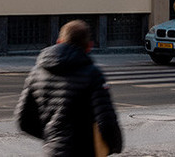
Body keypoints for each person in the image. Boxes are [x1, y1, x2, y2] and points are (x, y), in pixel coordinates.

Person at [15, 19, 123, 155]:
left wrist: (53, 138)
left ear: (59, 42)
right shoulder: (92, 74)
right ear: (89, 47)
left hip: (52, 151)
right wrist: (114, 146)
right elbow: (106, 120)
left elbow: (23, 120)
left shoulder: (37, 72)